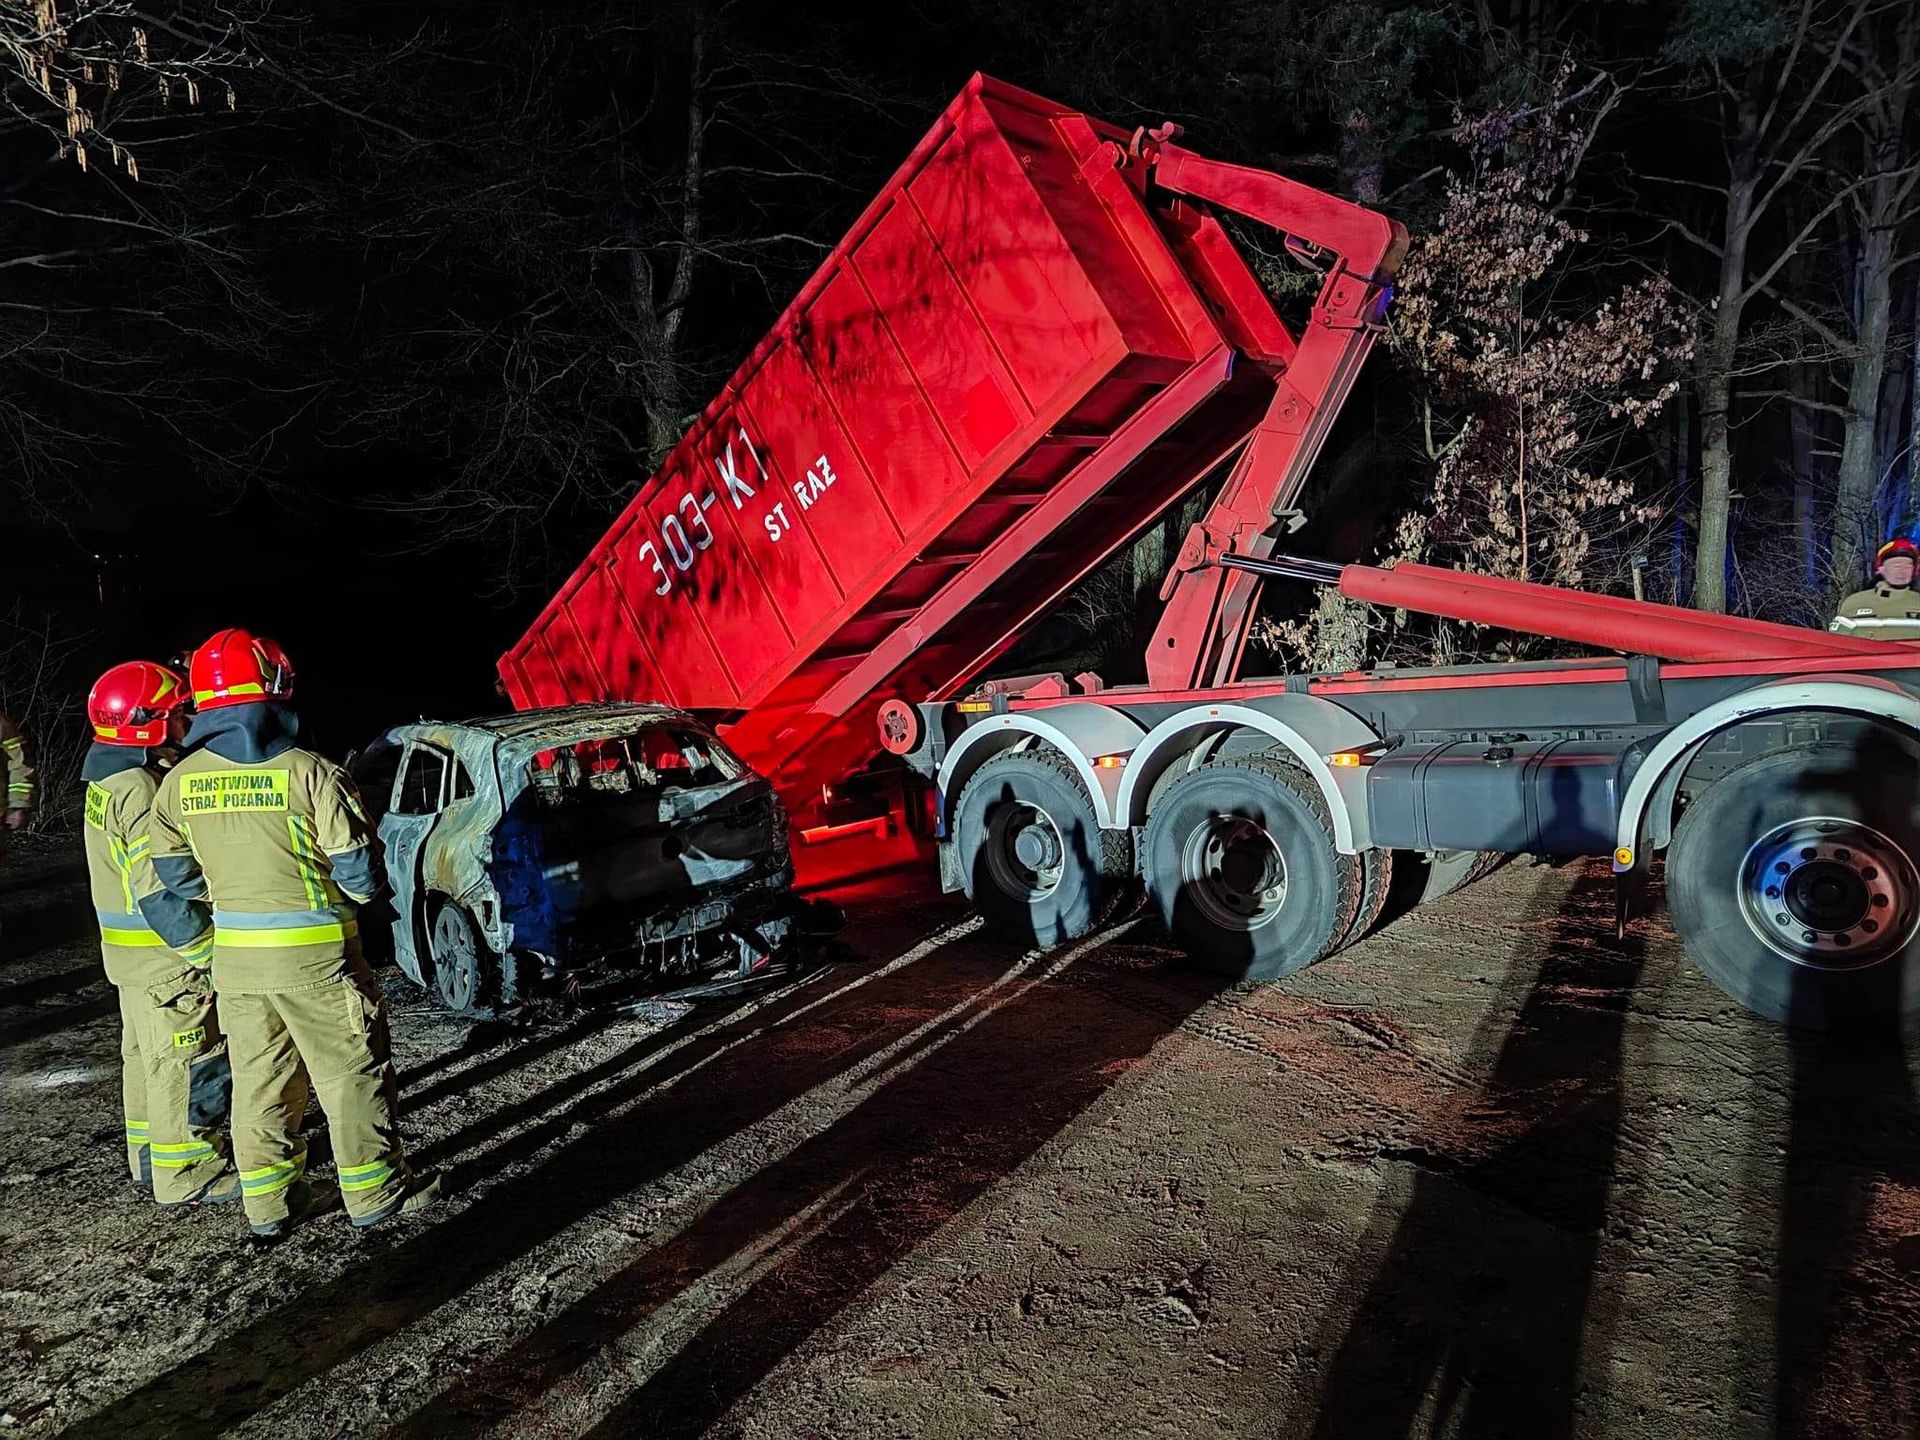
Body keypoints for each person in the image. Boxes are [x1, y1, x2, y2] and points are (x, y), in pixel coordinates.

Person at [146, 629, 439, 1240]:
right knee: (351, 1074)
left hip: (237, 966)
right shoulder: (312, 774)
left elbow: (175, 874)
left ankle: (270, 1205)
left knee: (260, 1082)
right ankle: (376, 1193)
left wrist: (236, 896)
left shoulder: (178, 782)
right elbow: (360, 877)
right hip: (320, 965)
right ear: (275, 689)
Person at [82, 662, 237, 1204]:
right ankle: (187, 1170)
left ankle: (149, 1159)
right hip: (166, 960)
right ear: (147, 722)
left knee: (145, 1061)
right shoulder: (143, 791)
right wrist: (206, 952)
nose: (186, 719)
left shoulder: (107, 780)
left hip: (130, 961)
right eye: (176, 713)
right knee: (188, 1062)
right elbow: (158, 892)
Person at [1829, 536, 1920, 641]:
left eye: (1908, 566)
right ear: (1880, 569)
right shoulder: (1855, 602)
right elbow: (1836, 643)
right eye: (1896, 565)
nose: (1902, 571)